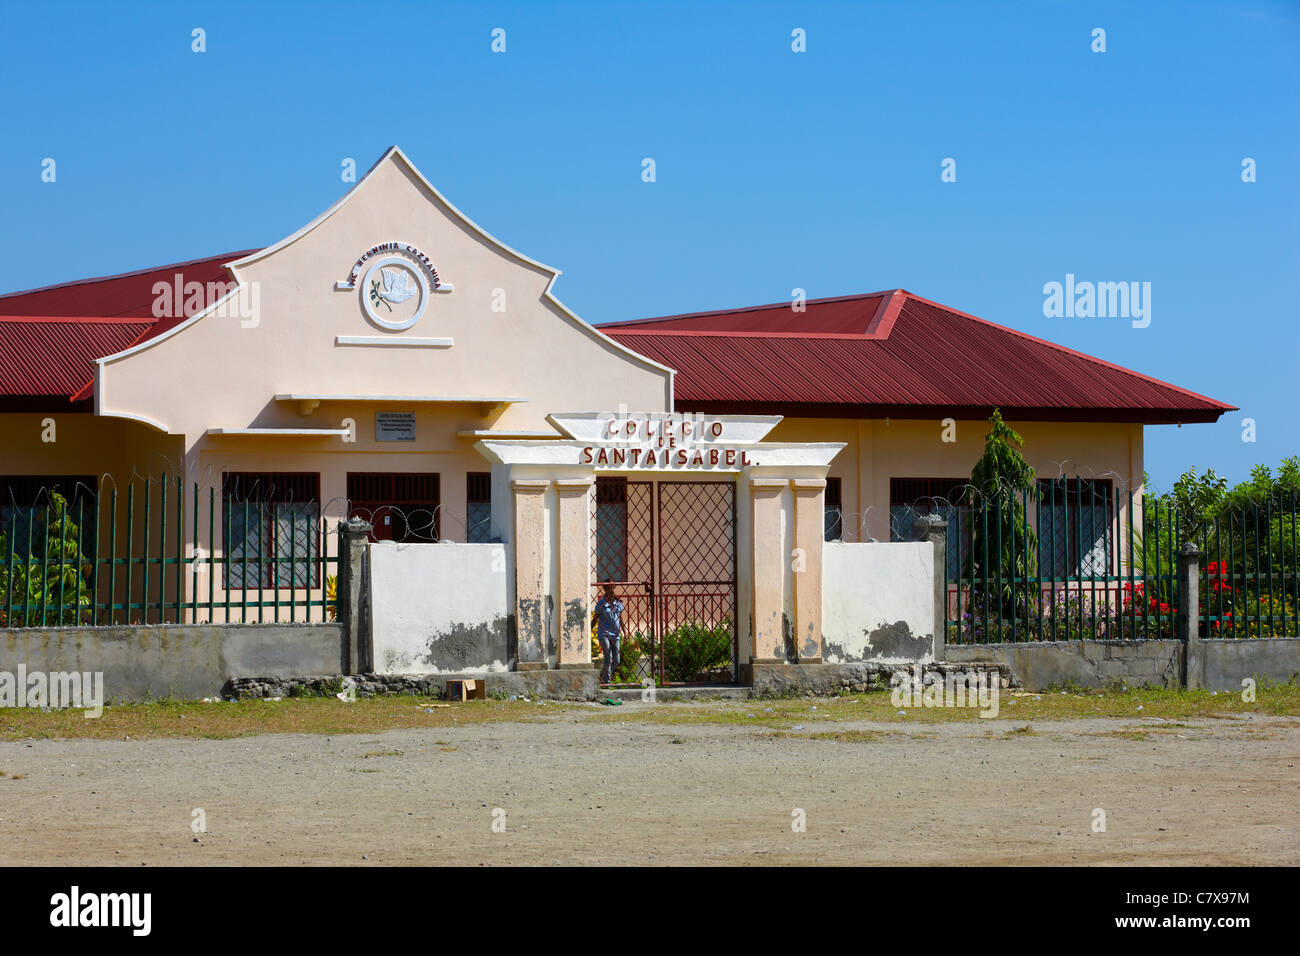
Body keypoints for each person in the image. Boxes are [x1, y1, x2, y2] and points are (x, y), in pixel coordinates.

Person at [593, 584, 624, 684]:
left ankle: (603, 675)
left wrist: (624, 631)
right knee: (608, 657)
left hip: (615, 634)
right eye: (609, 588)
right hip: (604, 634)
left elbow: (620, 618)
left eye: (613, 587)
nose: (611, 590)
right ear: (605, 589)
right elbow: (595, 618)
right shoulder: (601, 603)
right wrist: (589, 629)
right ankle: (606, 682)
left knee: (617, 660)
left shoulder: (617, 603)